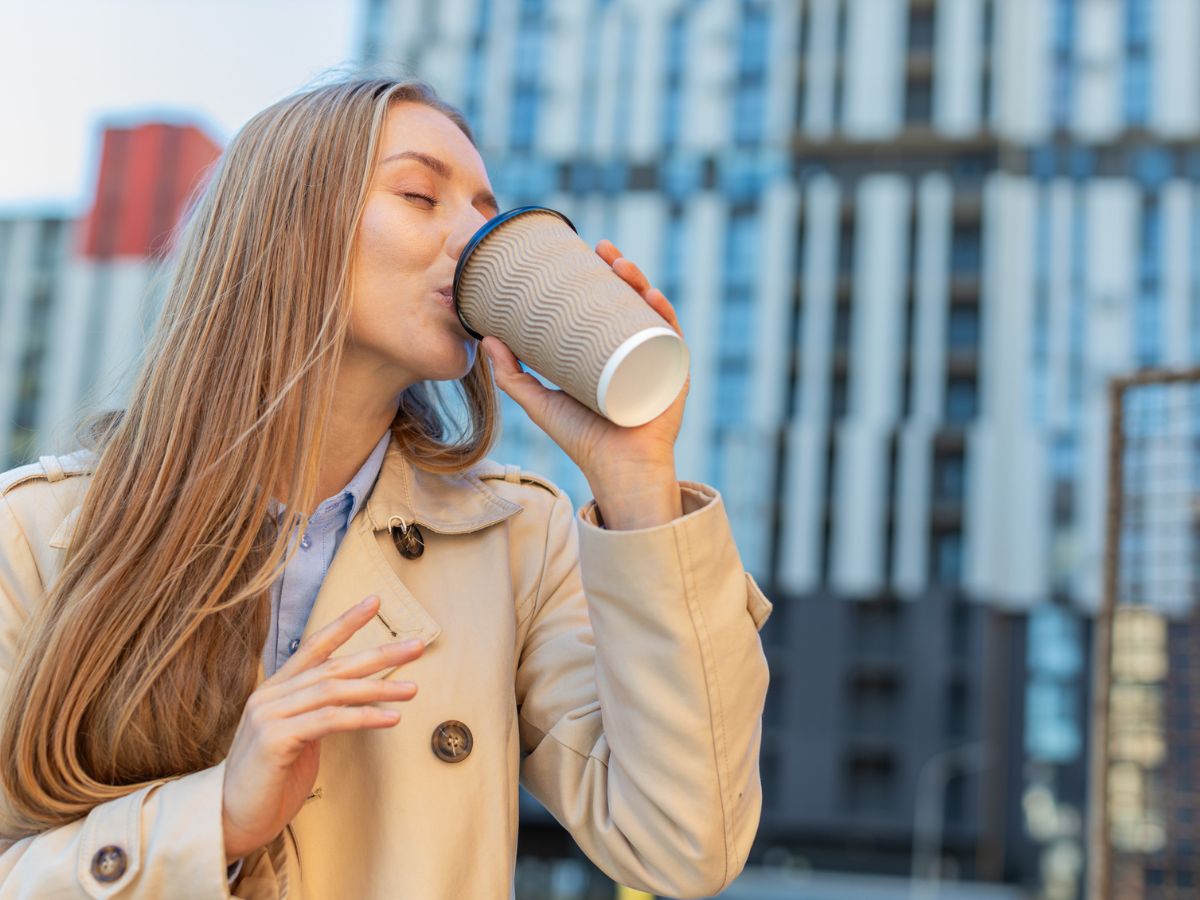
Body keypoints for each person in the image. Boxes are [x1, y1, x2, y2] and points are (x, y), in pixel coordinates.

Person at [0, 76, 773, 898]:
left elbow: (685, 845)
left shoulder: (519, 542)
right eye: (419, 195)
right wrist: (215, 821)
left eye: (486, 211)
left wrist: (637, 475)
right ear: (286, 229)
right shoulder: (36, 532)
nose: (476, 240)